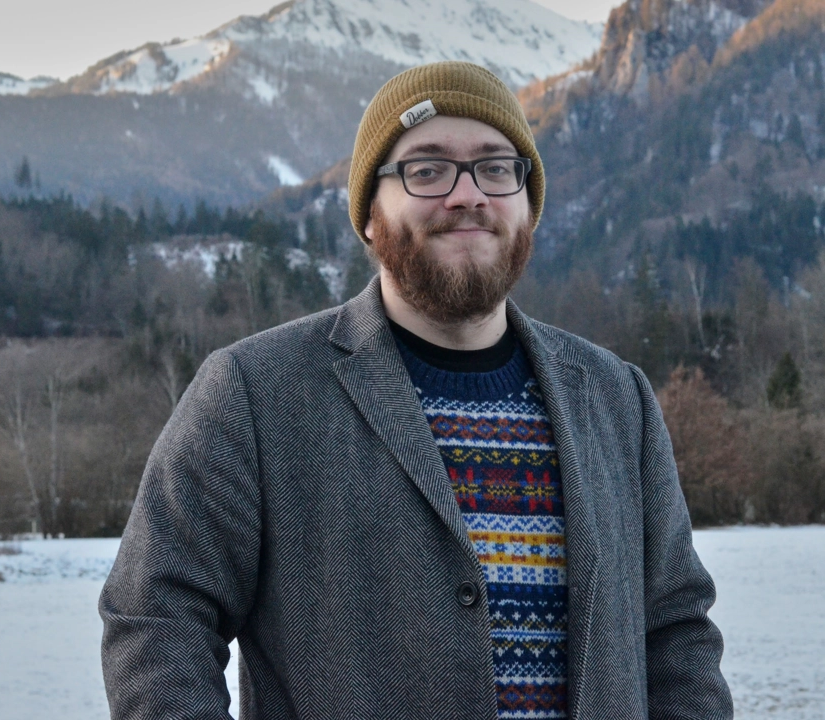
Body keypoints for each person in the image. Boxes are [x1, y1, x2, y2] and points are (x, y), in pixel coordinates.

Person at [100, 61, 733, 720]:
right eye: (426, 170)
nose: (468, 195)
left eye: (496, 167)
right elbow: (156, 617)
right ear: (369, 216)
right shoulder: (254, 394)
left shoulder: (615, 398)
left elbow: (676, 631)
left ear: (528, 205)